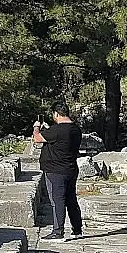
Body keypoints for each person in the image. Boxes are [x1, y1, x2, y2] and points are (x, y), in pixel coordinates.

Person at [32, 102, 84, 243]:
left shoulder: (57, 130)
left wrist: (36, 127)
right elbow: (60, 140)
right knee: (71, 199)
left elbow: (37, 139)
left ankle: (58, 232)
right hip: (70, 168)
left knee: (57, 201)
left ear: (56, 114)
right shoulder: (76, 129)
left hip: (55, 170)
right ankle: (77, 229)